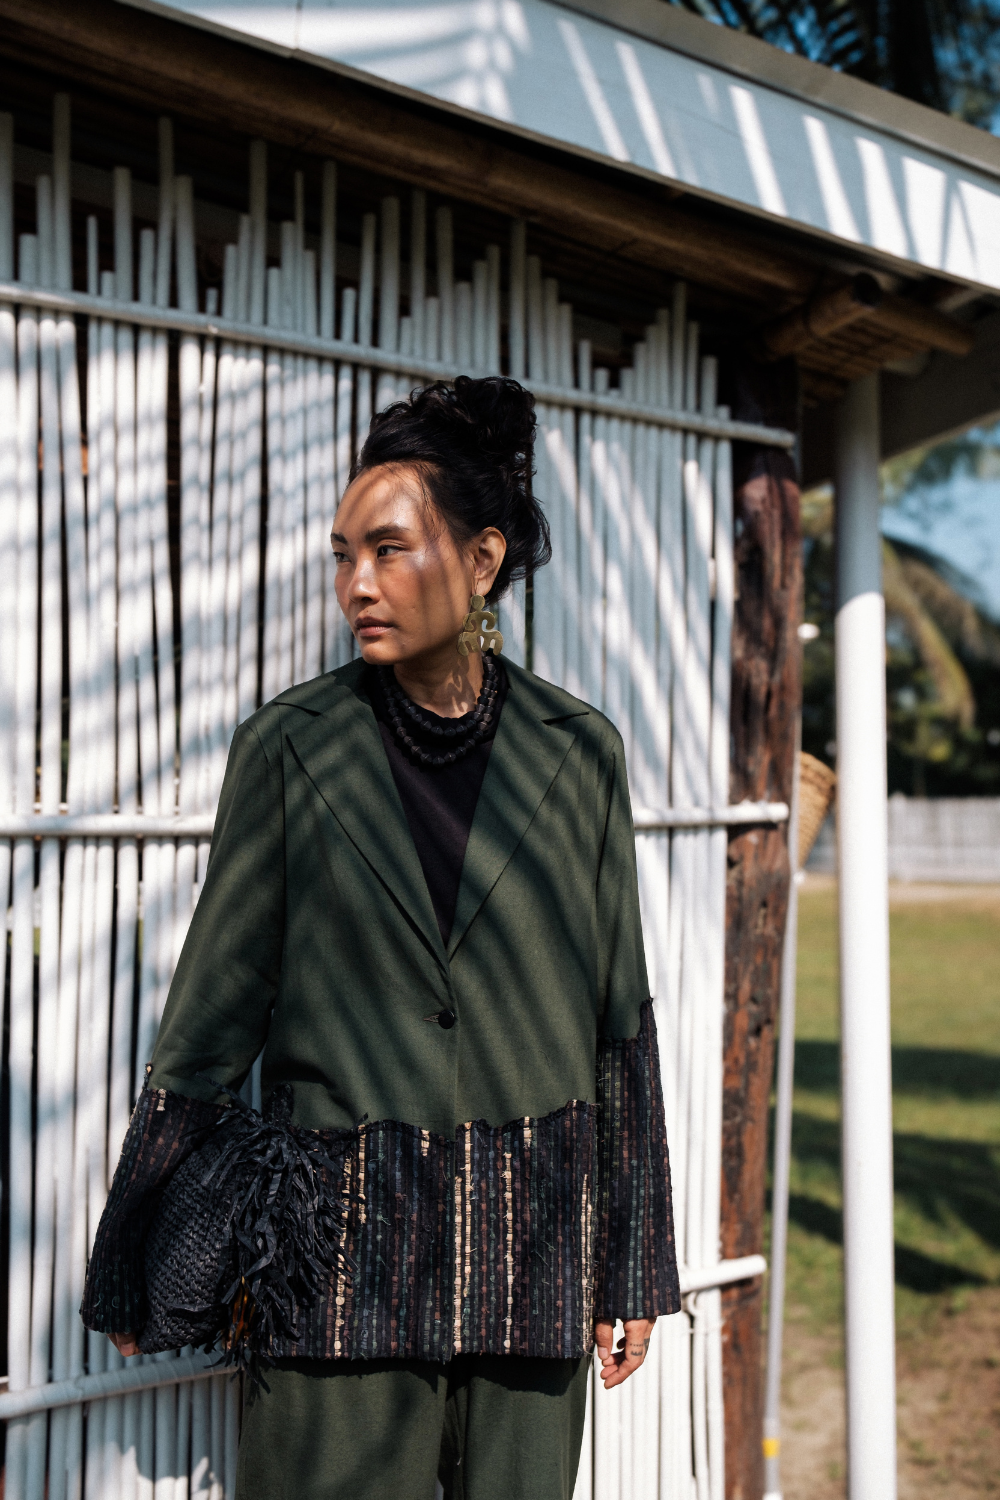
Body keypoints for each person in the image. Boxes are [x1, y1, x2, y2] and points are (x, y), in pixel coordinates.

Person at [82, 376, 680, 1500]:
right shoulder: (291, 749)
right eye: (343, 555)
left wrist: (634, 1259)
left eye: (390, 550)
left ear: (483, 559)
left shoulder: (579, 752)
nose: (357, 583)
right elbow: (213, 1010)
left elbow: (619, 1020)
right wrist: (133, 1250)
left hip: (529, 1261)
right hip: (339, 1271)